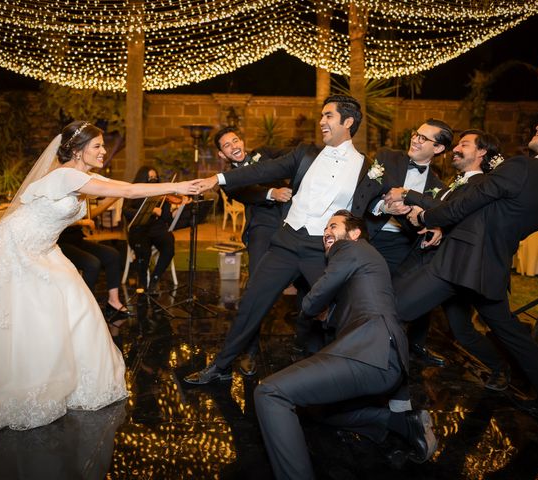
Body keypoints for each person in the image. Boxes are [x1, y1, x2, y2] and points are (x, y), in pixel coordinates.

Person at [0, 121, 201, 448]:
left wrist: (176, 190)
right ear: (77, 150)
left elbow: (126, 188)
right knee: (20, 316)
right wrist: (181, 186)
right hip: (15, 248)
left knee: (75, 303)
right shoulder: (66, 175)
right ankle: (24, 380)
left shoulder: (84, 177)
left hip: (45, 250)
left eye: (103, 146)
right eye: (98, 147)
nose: (104, 151)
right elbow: (131, 191)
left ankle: (74, 379)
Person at [184, 94, 383, 385]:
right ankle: (221, 366)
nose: (321, 122)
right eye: (322, 116)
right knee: (252, 302)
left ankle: (339, 371)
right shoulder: (306, 153)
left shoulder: (367, 168)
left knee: (334, 311)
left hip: (322, 250)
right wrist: (219, 179)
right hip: (286, 242)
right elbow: (264, 169)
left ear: (348, 122)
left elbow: (373, 206)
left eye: (328, 116)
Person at [397, 110, 538, 419]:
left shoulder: (522, 167)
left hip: (462, 260)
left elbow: (469, 201)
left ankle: (394, 399)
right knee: (509, 333)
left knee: (393, 311)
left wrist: (426, 217)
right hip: (492, 263)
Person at [254, 210, 437, 479]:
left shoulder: (349, 248)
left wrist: (315, 305)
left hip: (369, 354)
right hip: (382, 359)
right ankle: (401, 424)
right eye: (325, 228)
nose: (327, 232)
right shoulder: (365, 263)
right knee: (318, 411)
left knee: (270, 393)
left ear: (354, 233)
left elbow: (311, 302)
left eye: (334, 226)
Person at [386, 129, 511, 391]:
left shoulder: (480, 185)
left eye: (464, 144)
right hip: (441, 263)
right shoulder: (459, 182)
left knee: (403, 309)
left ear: (481, 152)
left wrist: (412, 198)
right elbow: (446, 215)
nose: (456, 148)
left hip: (452, 268)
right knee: (460, 328)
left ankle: (386, 368)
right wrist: (429, 221)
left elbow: (452, 212)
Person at [367, 119, 452, 368]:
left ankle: (413, 344)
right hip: (371, 234)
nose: (415, 139)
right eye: (417, 133)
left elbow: (442, 213)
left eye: (424, 138)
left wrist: (438, 225)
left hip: (404, 243)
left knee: (412, 289)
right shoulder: (387, 157)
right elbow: (363, 194)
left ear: (438, 149)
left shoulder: (438, 187)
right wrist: (383, 206)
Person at [214, 126, 293, 375]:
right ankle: (249, 350)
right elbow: (250, 193)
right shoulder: (228, 180)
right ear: (222, 154)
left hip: (294, 222)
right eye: (227, 145)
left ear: (243, 140)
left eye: (235, 140)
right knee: (256, 289)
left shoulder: (265, 153)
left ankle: (309, 342)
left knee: (313, 280)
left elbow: (295, 156)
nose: (233, 146)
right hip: (262, 227)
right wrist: (272, 192)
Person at [58, 196, 131, 324]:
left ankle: (113, 301)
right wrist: (81, 223)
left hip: (76, 240)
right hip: (59, 244)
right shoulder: (58, 195)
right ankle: (83, 306)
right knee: (92, 263)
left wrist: (110, 200)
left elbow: (87, 216)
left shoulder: (76, 195)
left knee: (112, 254)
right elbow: (57, 220)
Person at [123, 166, 179, 292]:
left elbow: (166, 219)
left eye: (155, 178)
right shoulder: (133, 193)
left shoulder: (161, 195)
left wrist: (174, 212)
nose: (153, 180)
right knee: (143, 250)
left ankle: (155, 278)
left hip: (157, 229)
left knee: (169, 243)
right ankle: (142, 281)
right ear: (142, 179)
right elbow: (126, 211)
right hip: (139, 228)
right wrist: (151, 210)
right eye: (150, 178)